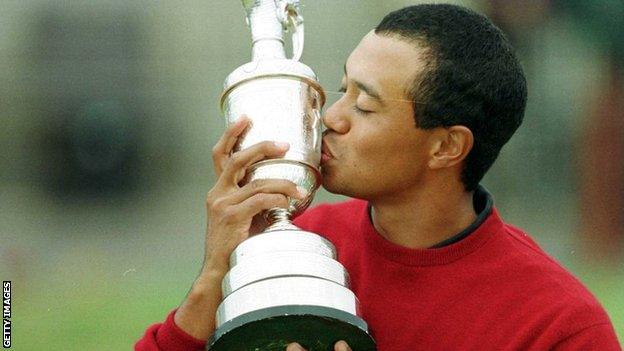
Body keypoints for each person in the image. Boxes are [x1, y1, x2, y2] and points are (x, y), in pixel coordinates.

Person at [136, 4, 621, 350]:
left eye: (365, 105)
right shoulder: (303, 244)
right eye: (341, 88)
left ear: (446, 146)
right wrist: (217, 274)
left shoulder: (556, 325)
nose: (331, 116)